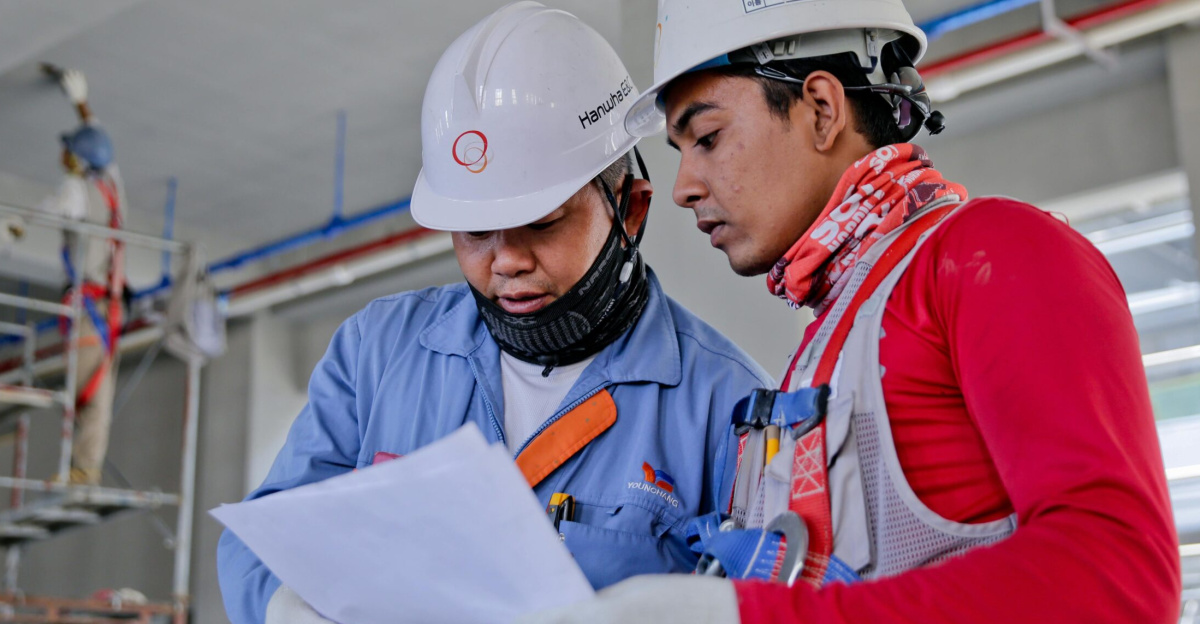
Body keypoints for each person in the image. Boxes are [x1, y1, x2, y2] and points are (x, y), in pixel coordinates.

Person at [523, 0, 1182, 621]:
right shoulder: (832, 340)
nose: (685, 187)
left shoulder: (993, 255)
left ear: (819, 106)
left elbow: (1120, 578)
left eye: (708, 137)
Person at [216, 3, 771, 623]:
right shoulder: (375, 354)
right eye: (475, 231)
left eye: (541, 224)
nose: (505, 260)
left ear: (631, 208)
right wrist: (282, 607)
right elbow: (261, 536)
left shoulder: (730, 407)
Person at [37, 66, 127, 486]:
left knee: (86, 393)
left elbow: (49, 207)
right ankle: (83, 468)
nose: (64, 154)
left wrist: (12, 226)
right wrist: (81, 103)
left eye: (69, 150)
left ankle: (81, 471)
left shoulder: (75, 190)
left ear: (76, 159)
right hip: (105, 305)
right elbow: (99, 144)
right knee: (95, 388)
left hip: (89, 307)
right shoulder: (110, 184)